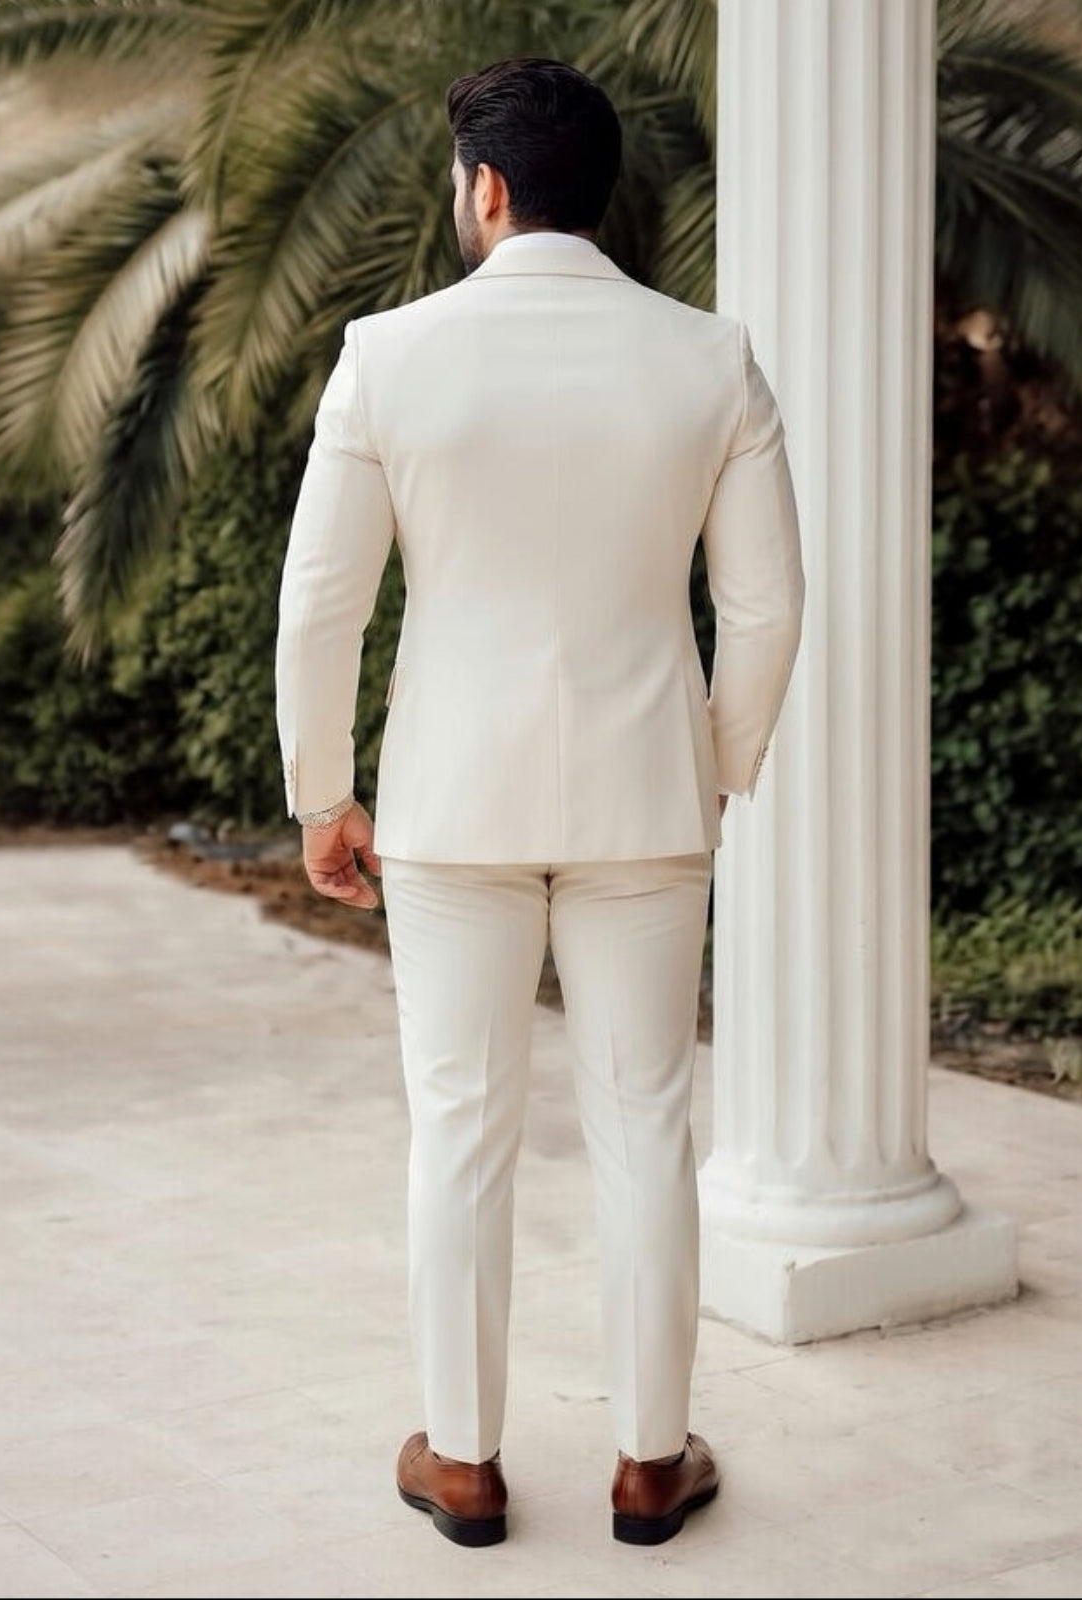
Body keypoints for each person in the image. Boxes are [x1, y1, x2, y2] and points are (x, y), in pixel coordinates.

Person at [275, 56, 805, 1549]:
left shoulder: (389, 353)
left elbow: (322, 605)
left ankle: (463, 1461)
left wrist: (325, 792)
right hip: (649, 798)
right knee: (648, 1128)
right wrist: (717, 760)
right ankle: (648, 1462)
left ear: (486, 187)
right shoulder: (710, 354)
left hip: (451, 805)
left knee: (460, 1129)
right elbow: (765, 610)